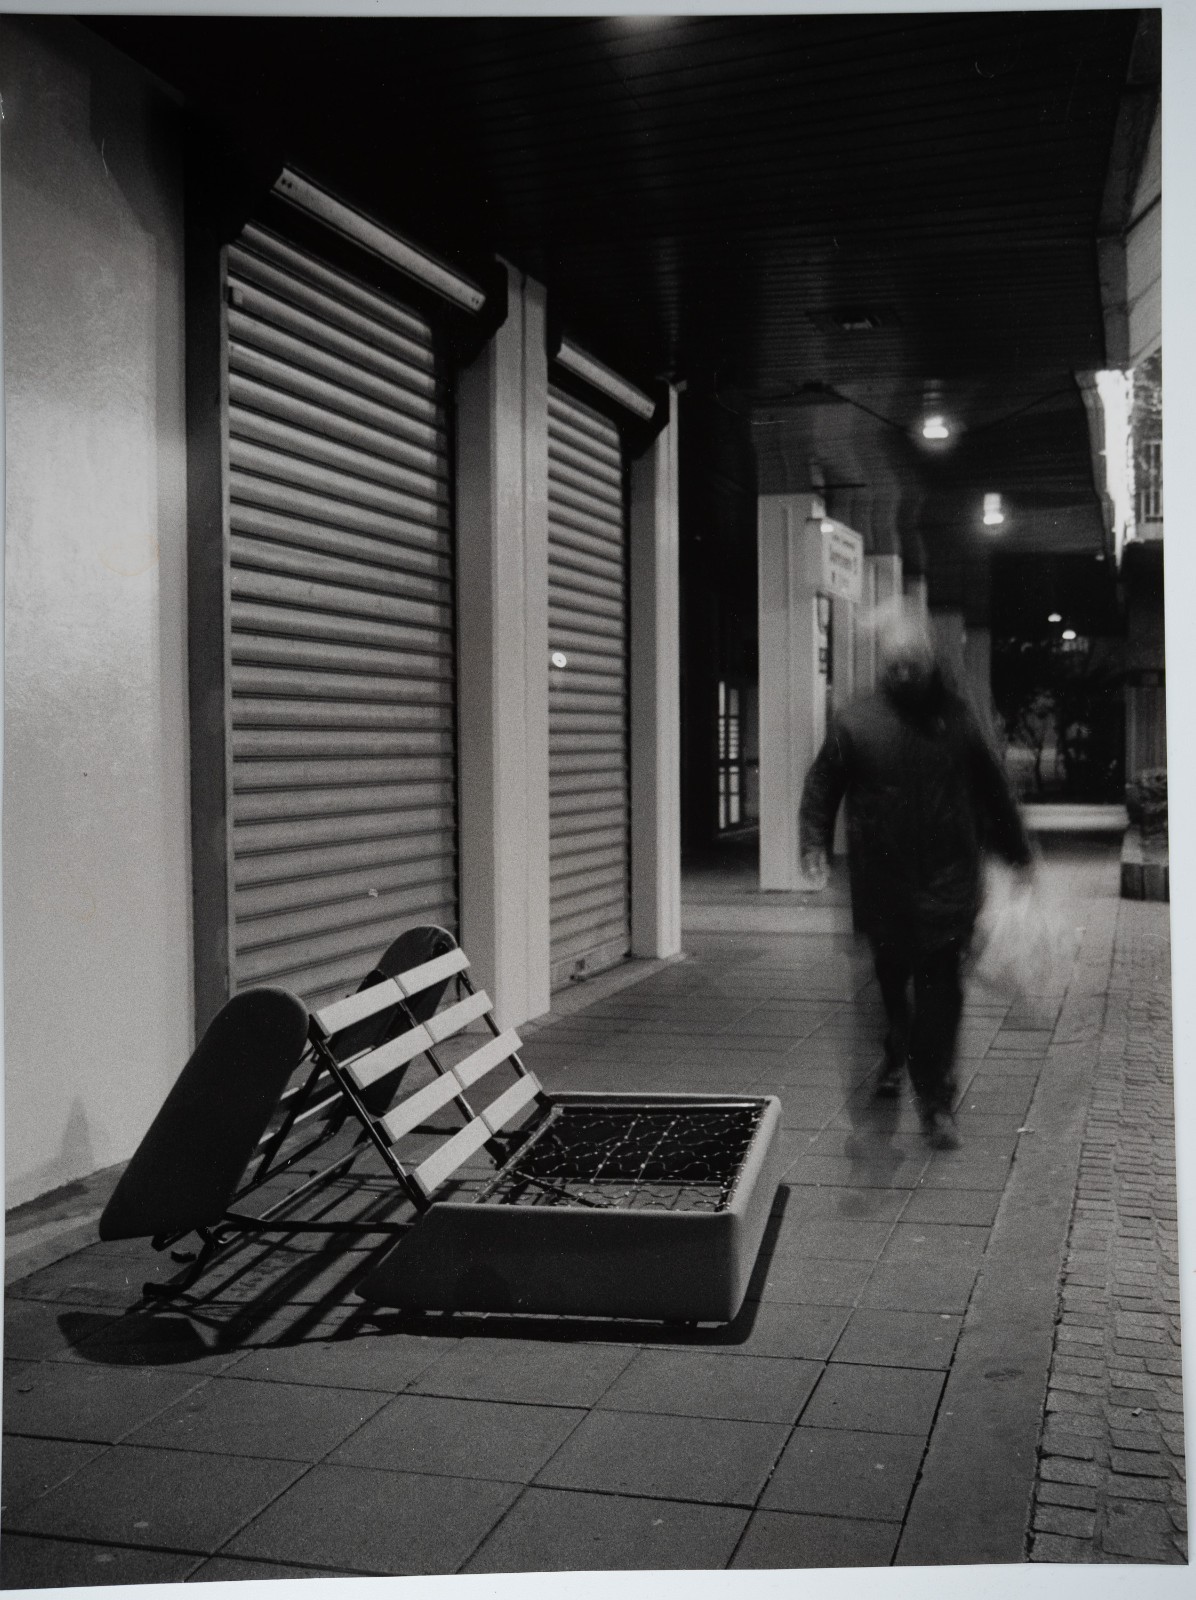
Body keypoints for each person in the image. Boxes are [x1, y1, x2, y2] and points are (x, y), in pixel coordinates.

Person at [798, 606, 1033, 1149]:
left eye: (913, 664)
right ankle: (895, 1047)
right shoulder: (857, 721)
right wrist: (813, 840)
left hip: (949, 886)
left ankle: (936, 1102)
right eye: (896, 665)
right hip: (883, 887)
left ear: (929, 663)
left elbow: (993, 792)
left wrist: (1017, 855)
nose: (904, 673)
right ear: (886, 666)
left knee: (940, 995)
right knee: (888, 984)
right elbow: (822, 784)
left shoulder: (958, 721)